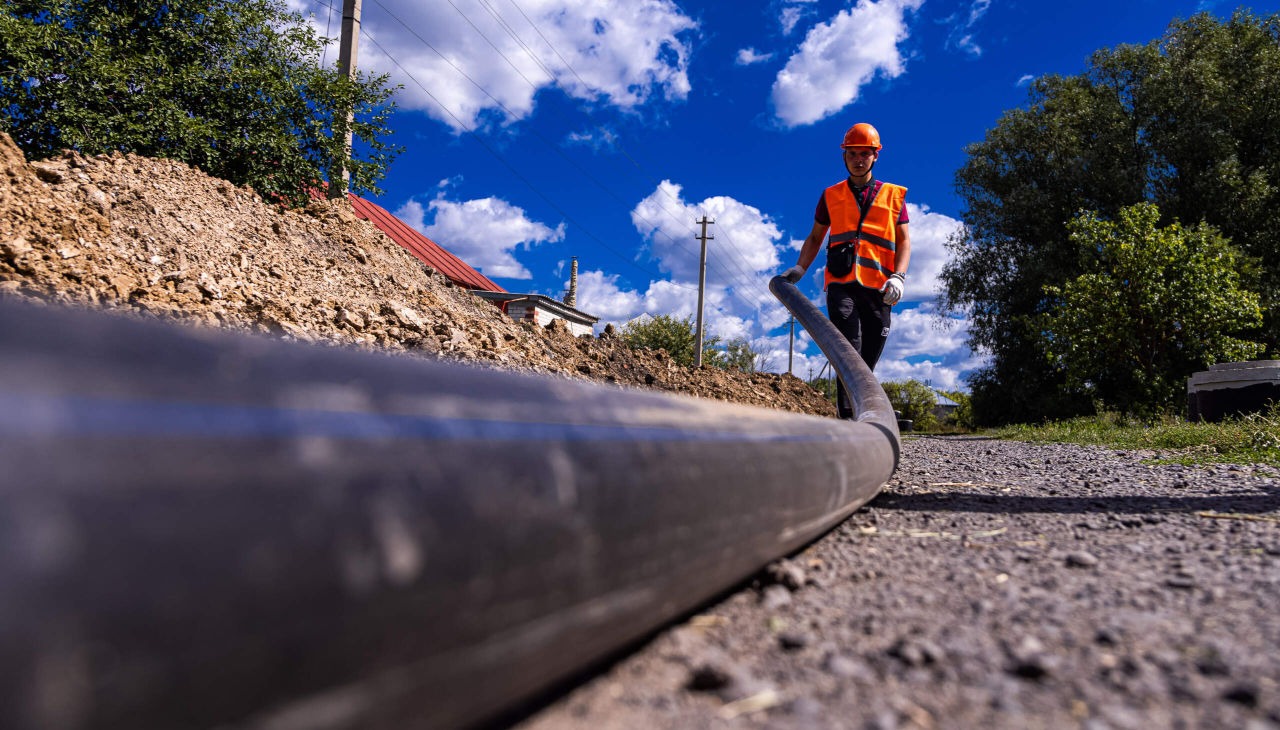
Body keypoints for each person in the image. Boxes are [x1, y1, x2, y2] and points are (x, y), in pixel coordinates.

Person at [780, 122, 911, 420]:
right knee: (847, 347)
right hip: (841, 282)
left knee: (868, 355)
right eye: (853, 153)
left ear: (875, 156)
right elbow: (815, 237)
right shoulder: (831, 195)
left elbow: (904, 242)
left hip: (880, 287)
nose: (858, 159)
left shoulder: (894, 196)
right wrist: (800, 268)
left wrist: (899, 277)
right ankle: (848, 416)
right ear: (844, 156)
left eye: (865, 153)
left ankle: (864, 410)